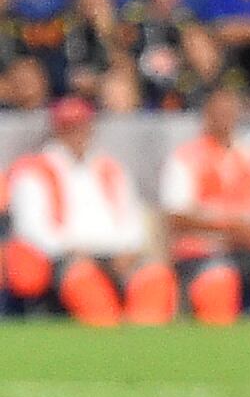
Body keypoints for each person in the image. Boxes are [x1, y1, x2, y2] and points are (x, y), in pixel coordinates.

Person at [3, 94, 175, 325]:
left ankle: (144, 338)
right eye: (69, 127)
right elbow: (31, 228)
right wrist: (72, 249)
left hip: (117, 254)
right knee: (85, 283)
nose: (77, 133)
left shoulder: (110, 168)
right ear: (57, 129)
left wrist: (127, 249)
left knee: (154, 276)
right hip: (68, 257)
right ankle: (106, 337)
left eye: (81, 126)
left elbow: (132, 218)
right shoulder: (35, 169)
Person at [157, 86, 250, 325]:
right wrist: (230, 228)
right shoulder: (185, 157)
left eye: (230, 110)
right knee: (219, 280)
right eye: (218, 111)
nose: (225, 117)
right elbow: (176, 216)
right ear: (206, 115)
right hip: (205, 250)